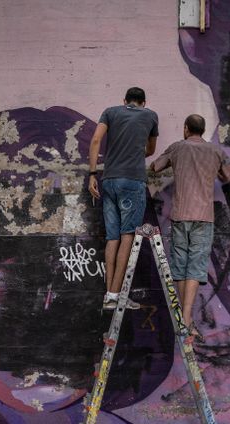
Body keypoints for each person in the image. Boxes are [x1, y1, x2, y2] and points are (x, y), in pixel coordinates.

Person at [150, 114, 230, 329]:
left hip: (180, 215)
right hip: (203, 216)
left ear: (185, 129)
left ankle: (182, 316)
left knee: (180, 266)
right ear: (202, 130)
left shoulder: (177, 147)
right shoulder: (215, 151)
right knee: (195, 267)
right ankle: (187, 316)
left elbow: (155, 167)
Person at [88, 87, 159, 310]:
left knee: (112, 237)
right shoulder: (150, 115)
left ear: (124, 100)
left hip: (108, 180)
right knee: (128, 234)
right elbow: (150, 149)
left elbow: (96, 140)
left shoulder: (110, 112)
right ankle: (116, 294)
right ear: (143, 102)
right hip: (132, 181)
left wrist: (92, 174)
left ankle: (110, 296)